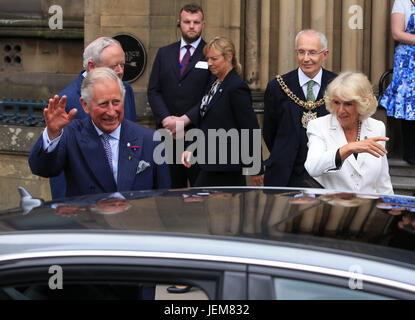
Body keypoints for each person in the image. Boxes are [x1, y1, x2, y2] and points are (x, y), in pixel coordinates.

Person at [29, 67, 170, 197]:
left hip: (134, 222)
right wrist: (52, 134)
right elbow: (42, 169)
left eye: (116, 102)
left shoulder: (151, 140)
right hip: (90, 221)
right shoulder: (71, 135)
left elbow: (163, 198)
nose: (111, 112)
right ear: (85, 105)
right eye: (103, 104)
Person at [50, 37, 137, 199]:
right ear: (91, 66)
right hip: (85, 203)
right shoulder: (66, 101)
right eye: (113, 66)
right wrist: (63, 204)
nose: (120, 71)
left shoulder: (126, 90)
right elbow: (58, 163)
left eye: (122, 65)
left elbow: (133, 140)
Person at [182, 36, 263, 187]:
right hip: (208, 162)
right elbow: (204, 120)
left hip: (226, 166)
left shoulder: (236, 87)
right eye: (208, 59)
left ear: (229, 57)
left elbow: (249, 128)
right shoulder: (215, 83)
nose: (209, 63)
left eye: (214, 58)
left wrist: (256, 168)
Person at [147, 3, 211, 189]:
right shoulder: (164, 53)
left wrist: (184, 120)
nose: (191, 26)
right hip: (167, 135)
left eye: (196, 22)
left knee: (200, 194)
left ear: (203, 24)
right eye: (187, 22)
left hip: (197, 136)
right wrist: (167, 119)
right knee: (170, 192)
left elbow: (210, 96)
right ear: (179, 23)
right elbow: (154, 90)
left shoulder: (210, 55)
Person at [263, 29, 337, 187]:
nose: (306, 58)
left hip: (325, 176)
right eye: (301, 52)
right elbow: (270, 132)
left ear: (325, 54)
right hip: (283, 176)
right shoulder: (277, 86)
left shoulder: (338, 86)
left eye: (312, 52)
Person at [304, 72, 394, 195]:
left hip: (367, 210)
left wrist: (391, 208)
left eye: (348, 104)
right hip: (331, 209)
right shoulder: (318, 126)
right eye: (336, 102)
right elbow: (313, 167)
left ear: (362, 104)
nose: (341, 110)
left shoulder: (377, 127)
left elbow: (383, 180)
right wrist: (348, 148)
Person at [380, 0, 415, 165]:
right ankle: (411, 152)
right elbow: (397, 33)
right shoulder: (403, 2)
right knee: (409, 104)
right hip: (408, 61)